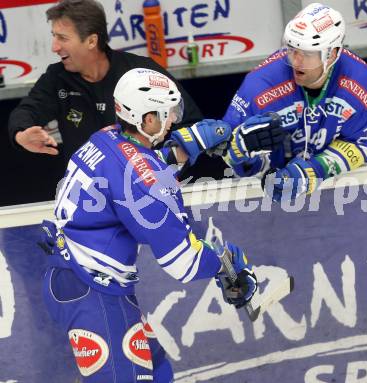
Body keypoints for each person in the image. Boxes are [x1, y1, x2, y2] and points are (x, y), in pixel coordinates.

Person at [38, 68, 258, 383]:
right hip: (95, 292)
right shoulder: (144, 178)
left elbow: (131, 173)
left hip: (77, 276)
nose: (172, 121)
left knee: (157, 370)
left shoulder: (106, 136)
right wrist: (225, 263)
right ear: (147, 119)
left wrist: (185, 147)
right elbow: (183, 261)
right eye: (167, 114)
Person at [222, 3, 367, 202]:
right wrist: (241, 153)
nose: (295, 61)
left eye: (306, 53)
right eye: (292, 49)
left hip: (335, 192)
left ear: (332, 53)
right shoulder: (260, 85)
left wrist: (314, 170)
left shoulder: (362, 83)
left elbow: (361, 143)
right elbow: (228, 149)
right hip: (268, 198)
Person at [8, 0, 203, 161]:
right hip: (90, 194)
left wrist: (167, 163)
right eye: (54, 37)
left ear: (92, 41)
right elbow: (27, 111)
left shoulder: (142, 71)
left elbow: (191, 123)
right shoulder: (57, 77)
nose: (54, 47)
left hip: (149, 185)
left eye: (62, 38)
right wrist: (21, 135)